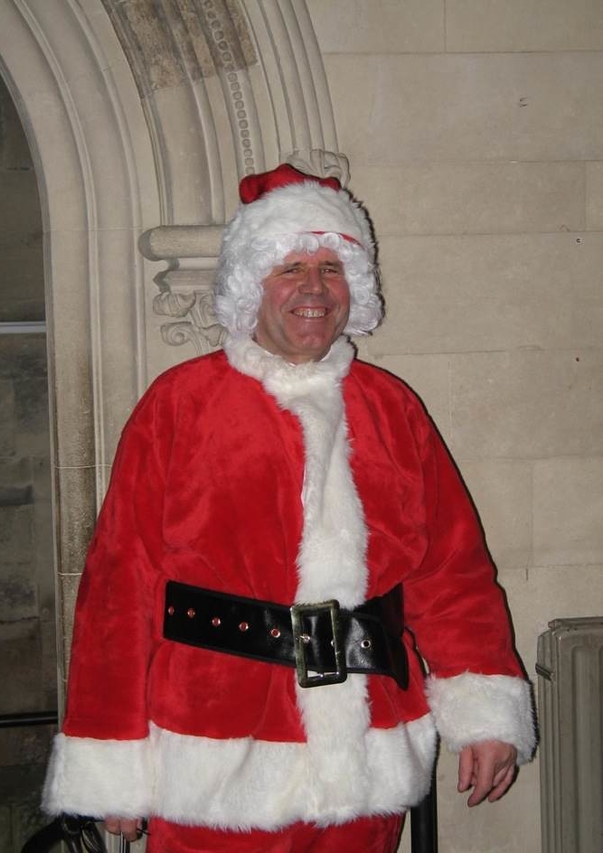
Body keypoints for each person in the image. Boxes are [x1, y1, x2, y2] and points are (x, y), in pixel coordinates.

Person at [43, 164, 536, 852]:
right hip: (216, 761)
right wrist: (112, 763)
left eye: (332, 266)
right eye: (291, 267)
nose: (314, 287)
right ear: (252, 286)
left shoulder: (392, 407)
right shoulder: (179, 405)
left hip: (365, 755)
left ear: (354, 288)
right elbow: (119, 588)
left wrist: (484, 713)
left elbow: (452, 573)